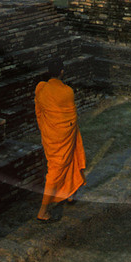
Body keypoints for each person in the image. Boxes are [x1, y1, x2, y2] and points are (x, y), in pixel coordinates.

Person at [34, 62, 85, 221]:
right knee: (55, 171)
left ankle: (69, 193)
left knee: (69, 161)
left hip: (51, 135)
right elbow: (71, 116)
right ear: (62, 72)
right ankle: (43, 211)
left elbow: (40, 111)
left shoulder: (41, 90)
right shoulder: (67, 91)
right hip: (64, 134)